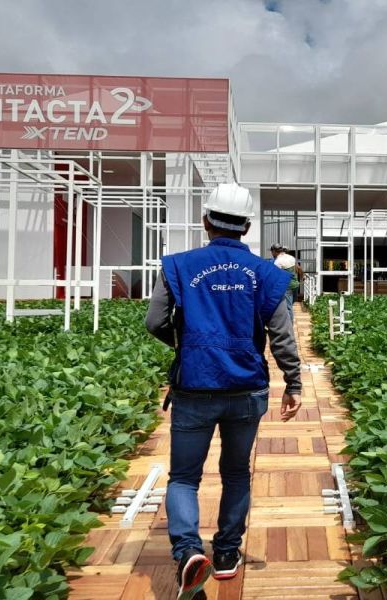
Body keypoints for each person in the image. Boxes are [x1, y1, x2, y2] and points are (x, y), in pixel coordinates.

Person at [145, 183, 303, 599]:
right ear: (247, 226)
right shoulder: (269, 275)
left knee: (183, 477)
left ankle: (188, 553)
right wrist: (293, 382)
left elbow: (155, 321)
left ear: (205, 221)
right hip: (246, 389)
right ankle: (228, 553)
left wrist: (188, 343)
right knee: (235, 473)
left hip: (194, 386)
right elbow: (282, 335)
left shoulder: (178, 266)